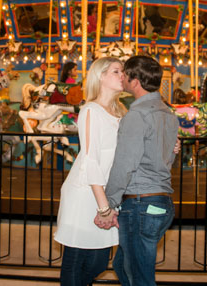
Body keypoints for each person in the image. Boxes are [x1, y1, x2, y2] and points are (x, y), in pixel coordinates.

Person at [95, 55, 179, 286]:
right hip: (162, 204)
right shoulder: (169, 115)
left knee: (140, 277)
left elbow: (124, 164)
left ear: (135, 82)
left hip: (141, 204)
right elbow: (168, 157)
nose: (122, 78)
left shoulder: (136, 116)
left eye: (126, 74)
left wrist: (108, 205)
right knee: (123, 265)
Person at [54, 57, 127, 286]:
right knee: (77, 259)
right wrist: (103, 206)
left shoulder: (121, 112)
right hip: (86, 192)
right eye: (116, 71)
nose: (122, 75)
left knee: (98, 261)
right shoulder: (91, 110)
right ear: (101, 76)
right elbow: (90, 159)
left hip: (107, 193)